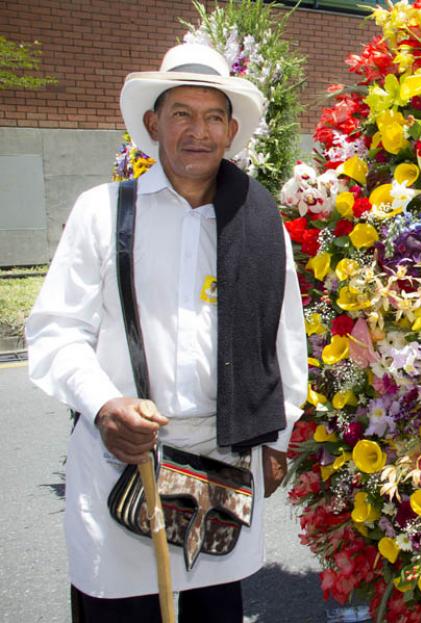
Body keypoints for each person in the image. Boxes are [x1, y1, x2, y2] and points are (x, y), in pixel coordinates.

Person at [26, 43, 308, 622]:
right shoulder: (102, 211)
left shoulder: (257, 222)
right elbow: (56, 329)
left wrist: (278, 440)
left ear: (230, 130)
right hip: (123, 462)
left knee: (213, 610)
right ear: (154, 123)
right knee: (118, 610)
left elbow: (285, 337)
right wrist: (105, 406)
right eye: (181, 113)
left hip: (222, 463)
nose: (197, 131)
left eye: (212, 117)